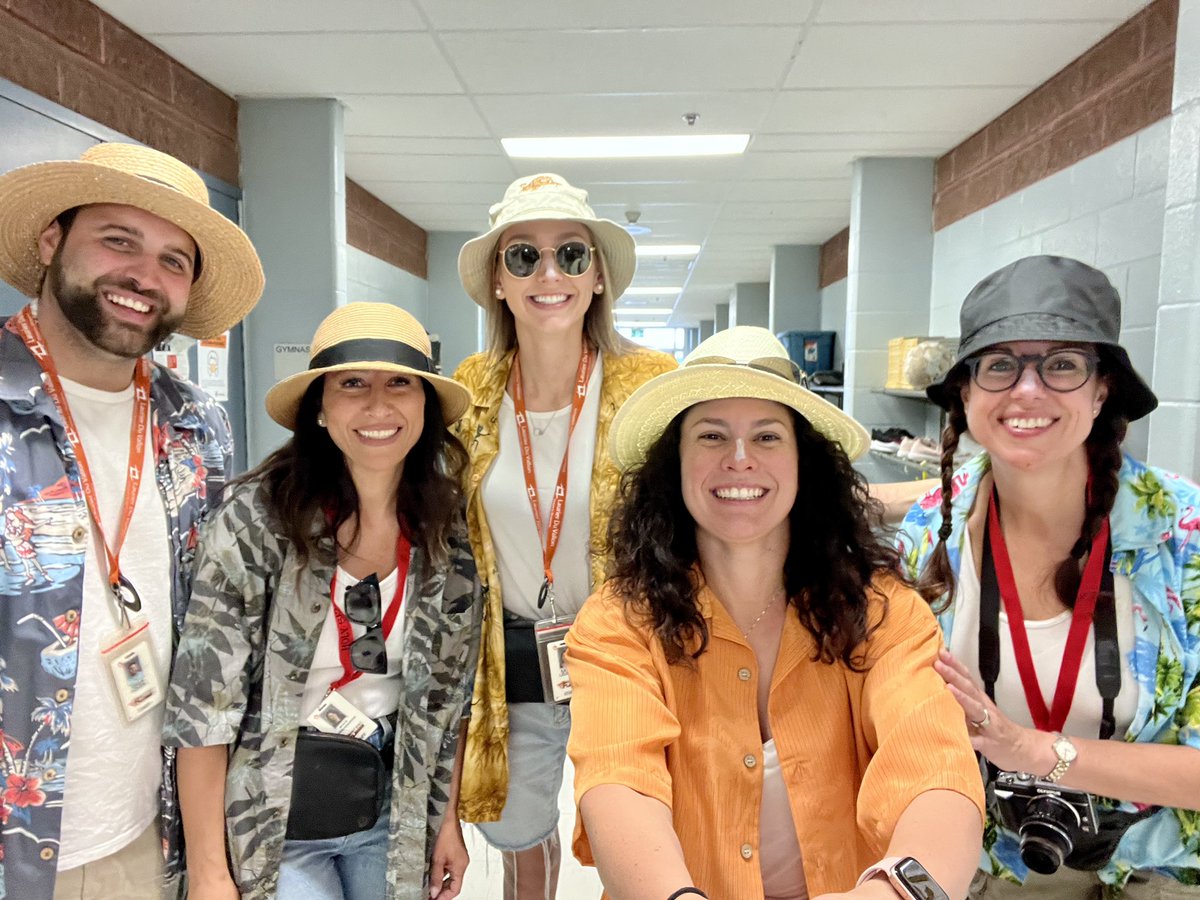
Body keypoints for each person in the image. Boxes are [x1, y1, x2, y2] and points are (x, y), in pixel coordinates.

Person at [566, 326, 986, 900]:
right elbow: (618, 782)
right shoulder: (618, 622)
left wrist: (896, 892)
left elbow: (934, 766)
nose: (739, 460)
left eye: (767, 437)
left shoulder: (883, 611)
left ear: (802, 460)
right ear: (675, 463)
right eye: (711, 436)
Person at [0, 142, 263, 899]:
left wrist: (211, 860)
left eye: (173, 260)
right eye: (118, 240)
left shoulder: (194, 424)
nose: (144, 277)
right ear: (52, 240)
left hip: (150, 837)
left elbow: (215, 641)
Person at [896, 255, 1200, 898]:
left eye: (1061, 363)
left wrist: (1036, 753)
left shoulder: (1182, 538)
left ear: (1102, 390)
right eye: (1000, 364)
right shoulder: (928, 536)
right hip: (981, 871)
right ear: (966, 394)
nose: (1027, 390)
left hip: (1155, 877)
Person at [163, 303, 482, 900]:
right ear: (319, 406)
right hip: (275, 815)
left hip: (397, 806)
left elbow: (450, 696)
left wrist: (446, 820)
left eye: (400, 384)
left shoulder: (447, 526)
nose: (378, 407)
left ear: (425, 406)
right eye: (352, 385)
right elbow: (203, 708)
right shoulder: (256, 520)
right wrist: (209, 873)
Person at [452, 173, 677, 897]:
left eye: (571, 255)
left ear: (599, 275)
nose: (549, 274)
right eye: (524, 256)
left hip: (628, 655)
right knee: (521, 833)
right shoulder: (472, 390)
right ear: (498, 281)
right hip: (513, 655)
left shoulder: (649, 384)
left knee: (633, 829)